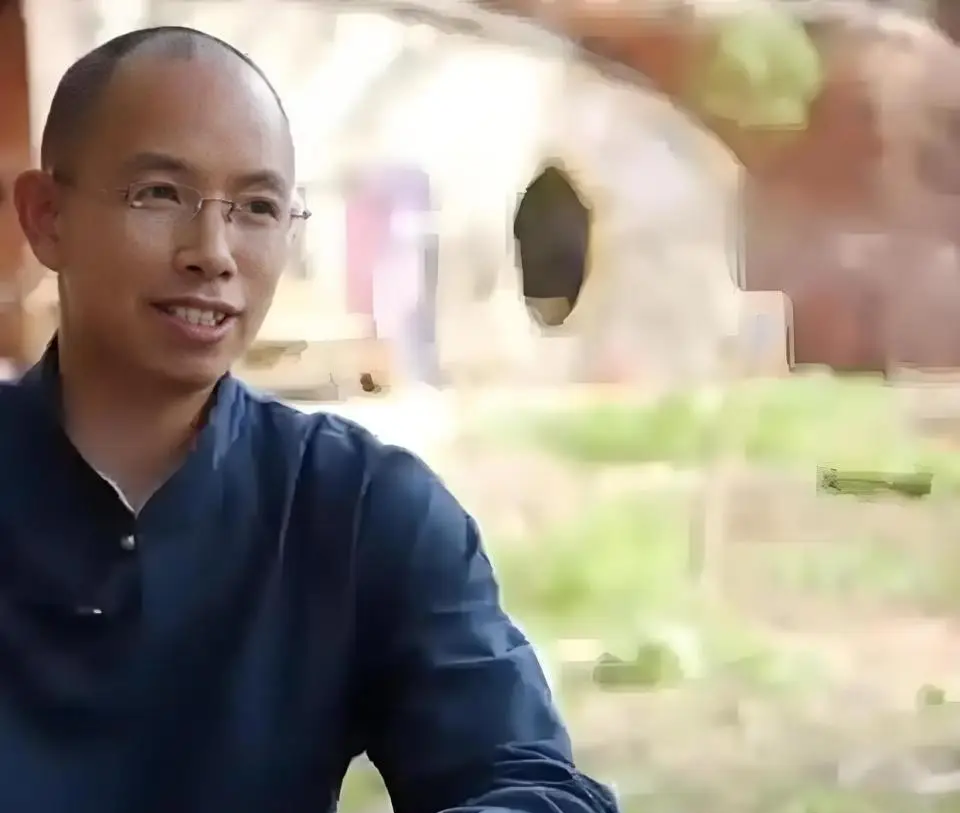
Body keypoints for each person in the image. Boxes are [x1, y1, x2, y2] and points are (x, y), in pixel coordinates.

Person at [3, 25, 618, 813]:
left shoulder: (355, 507)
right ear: (47, 216)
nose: (212, 251)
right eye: (159, 193)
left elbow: (529, 782)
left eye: (258, 208)